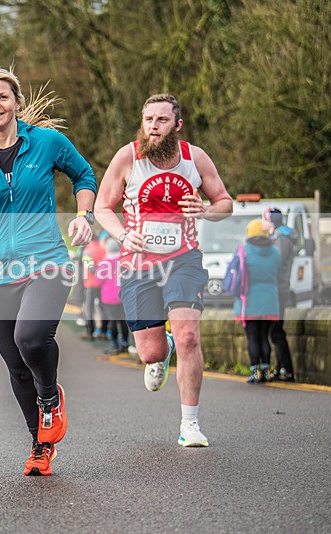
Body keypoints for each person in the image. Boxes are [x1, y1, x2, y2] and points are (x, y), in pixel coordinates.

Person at [0, 67, 96, 476]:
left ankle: (50, 399)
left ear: (17, 103)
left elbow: (83, 174)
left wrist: (85, 215)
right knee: (14, 364)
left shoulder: (46, 142)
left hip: (47, 260)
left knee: (30, 337)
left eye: (2, 97)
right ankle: (39, 445)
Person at [94, 93, 233, 447]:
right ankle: (163, 347)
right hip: (138, 264)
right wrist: (124, 235)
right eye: (148, 120)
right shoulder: (128, 157)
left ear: (177, 124)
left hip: (183, 259)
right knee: (150, 354)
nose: (153, 127)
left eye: (162, 120)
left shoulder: (194, 158)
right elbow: (102, 207)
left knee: (189, 335)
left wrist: (204, 211)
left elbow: (225, 203)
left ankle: (190, 424)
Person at [235, 219, 281, 383]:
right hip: (270, 300)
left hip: (249, 301)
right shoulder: (275, 252)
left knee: (253, 337)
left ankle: (255, 372)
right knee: (264, 336)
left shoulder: (243, 251)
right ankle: (266, 371)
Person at [262, 207, 296, 381]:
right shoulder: (279, 238)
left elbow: (276, 262)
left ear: (271, 221)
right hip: (277, 289)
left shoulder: (281, 240)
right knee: (274, 331)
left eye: (264, 220)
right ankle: (281, 367)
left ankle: (286, 369)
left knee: (275, 331)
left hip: (277, 289)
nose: (262, 224)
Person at [96, 238, 130, 354]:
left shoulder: (104, 263)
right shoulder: (124, 261)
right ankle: (125, 343)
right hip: (123, 295)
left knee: (113, 321)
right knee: (123, 321)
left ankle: (115, 345)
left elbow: (98, 280)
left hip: (109, 297)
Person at [81, 235, 106, 339]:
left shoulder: (87, 250)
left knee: (89, 309)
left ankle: (89, 332)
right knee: (102, 308)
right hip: (102, 284)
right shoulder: (103, 249)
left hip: (90, 284)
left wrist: (96, 275)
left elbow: (89, 266)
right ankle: (103, 331)